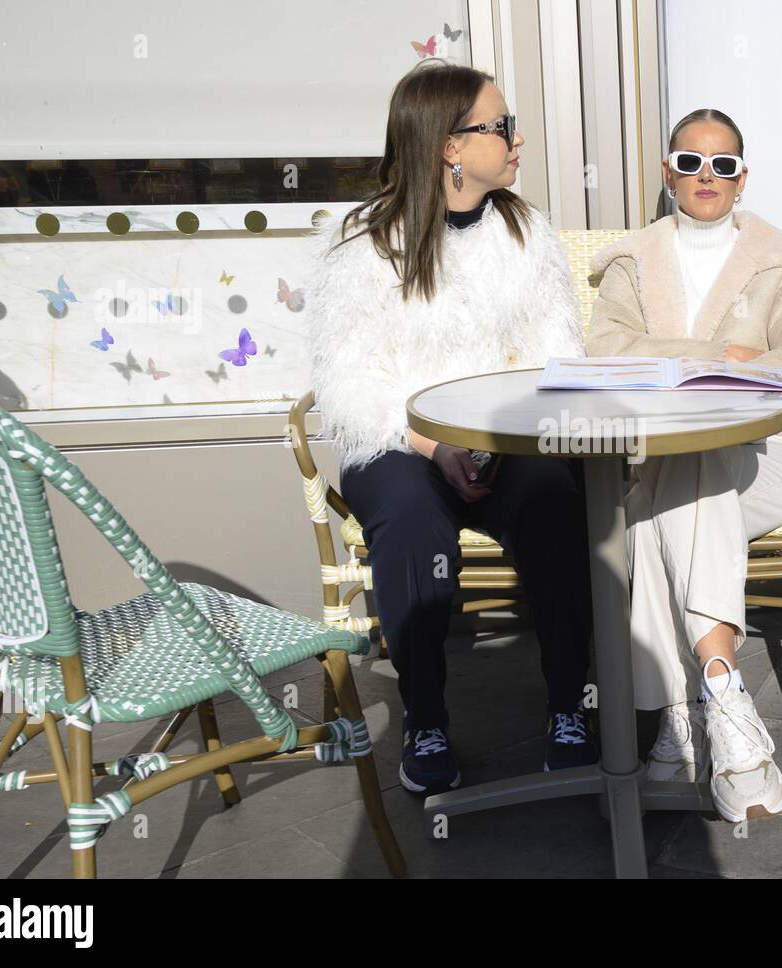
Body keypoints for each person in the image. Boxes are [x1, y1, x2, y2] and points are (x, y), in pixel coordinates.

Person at [306, 60, 598, 796]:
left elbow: (557, 354)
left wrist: (506, 439)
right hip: (400, 439)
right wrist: (436, 447)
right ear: (449, 145)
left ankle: (570, 705)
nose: (516, 137)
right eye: (500, 126)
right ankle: (425, 718)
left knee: (556, 502)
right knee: (408, 519)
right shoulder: (363, 242)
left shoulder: (524, 231)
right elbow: (348, 385)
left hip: (508, 436)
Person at [586, 108, 782, 822]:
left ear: (742, 178)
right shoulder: (632, 264)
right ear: (668, 171)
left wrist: (672, 360)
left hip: (766, 462)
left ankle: (678, 725)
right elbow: (605, 353)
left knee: (664, 499)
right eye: (690, 162)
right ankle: (723, 700)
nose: (706, 177)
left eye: (723, 165)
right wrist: (722, 362)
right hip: (660, 466)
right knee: (674, 488)